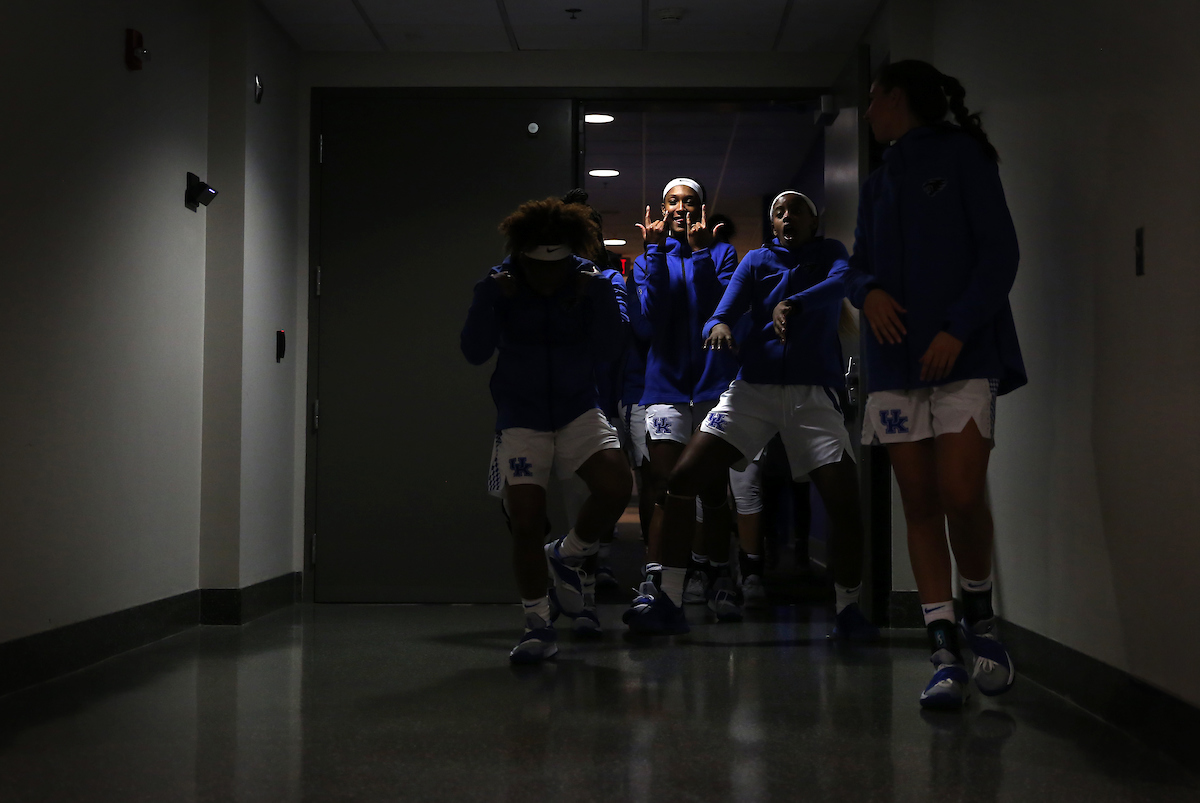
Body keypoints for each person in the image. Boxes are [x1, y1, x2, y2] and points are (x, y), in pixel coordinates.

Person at [847, 60, 1025, 708]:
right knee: (918, 501)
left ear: (898, 98)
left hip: (962, 357)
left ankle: (979, 613)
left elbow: (1000, 252)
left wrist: (957, 326)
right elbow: (856, 265)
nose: (867, 113)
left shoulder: (964, 158)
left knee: (959, 490)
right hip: (893, 367)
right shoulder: (874, 183)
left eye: (873, 100)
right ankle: (942, 645)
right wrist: (865, 292)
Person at [623, 190, 877, 642]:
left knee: (844, 502)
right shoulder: (756, 261)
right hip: (752, 390)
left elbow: (841, 284)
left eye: (795, 210)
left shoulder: (830, 254)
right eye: (779, 212)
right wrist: (718, 325)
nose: (786, 217)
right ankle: (670, 602)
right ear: (773, 224)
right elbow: (720, 313)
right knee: (682, 482)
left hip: (811, 394)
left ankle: (848, 612)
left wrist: (793, 303)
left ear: (812, 222)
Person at [461, 197, 633, 663]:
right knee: (526, 520)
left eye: (555, 270)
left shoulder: (590, 280)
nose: (547, 279)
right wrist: (489, 297)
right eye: (538, 269)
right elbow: (474, 352)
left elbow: (612, 348)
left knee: (616, 485)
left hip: (578, 407)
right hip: (522, 416)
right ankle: (537, 623)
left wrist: (595, 295)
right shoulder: (503, 282)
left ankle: (568, 553)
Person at [626, 178, 744, 625]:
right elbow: (651, 318)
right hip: (665, 388)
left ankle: (719, 576)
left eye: (689, 201)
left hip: (713, 387)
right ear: (662, 209)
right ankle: (658, 580)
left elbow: (723, 311)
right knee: (664, 485)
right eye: (673, 201)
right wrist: (655, 253)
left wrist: (699, 255)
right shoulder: (645, 259)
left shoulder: (720, 253)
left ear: (701, 208)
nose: (680, 208)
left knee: (713, 488)